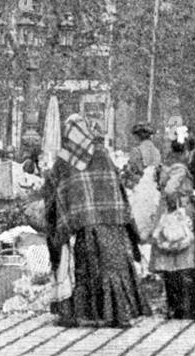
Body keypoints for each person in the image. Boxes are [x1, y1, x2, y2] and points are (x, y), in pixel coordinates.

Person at [47, 116, 150, 328]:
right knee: (116, 265)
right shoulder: (102, 152)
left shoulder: (63, 159)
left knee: (89, 268)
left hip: (86, 225)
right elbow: (117, 184)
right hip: (113, 220)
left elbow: (53, 194)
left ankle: (91, 313)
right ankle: (121, 314)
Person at [150, 131, 195, 318]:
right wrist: (177, 202)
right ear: (186, 150)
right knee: (183, 261)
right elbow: (171, 189)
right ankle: (184, 306)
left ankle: (173, 304)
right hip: (179, 215)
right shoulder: (180, 167)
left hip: (165, 216)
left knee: (169, 264)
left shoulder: (166, 166)